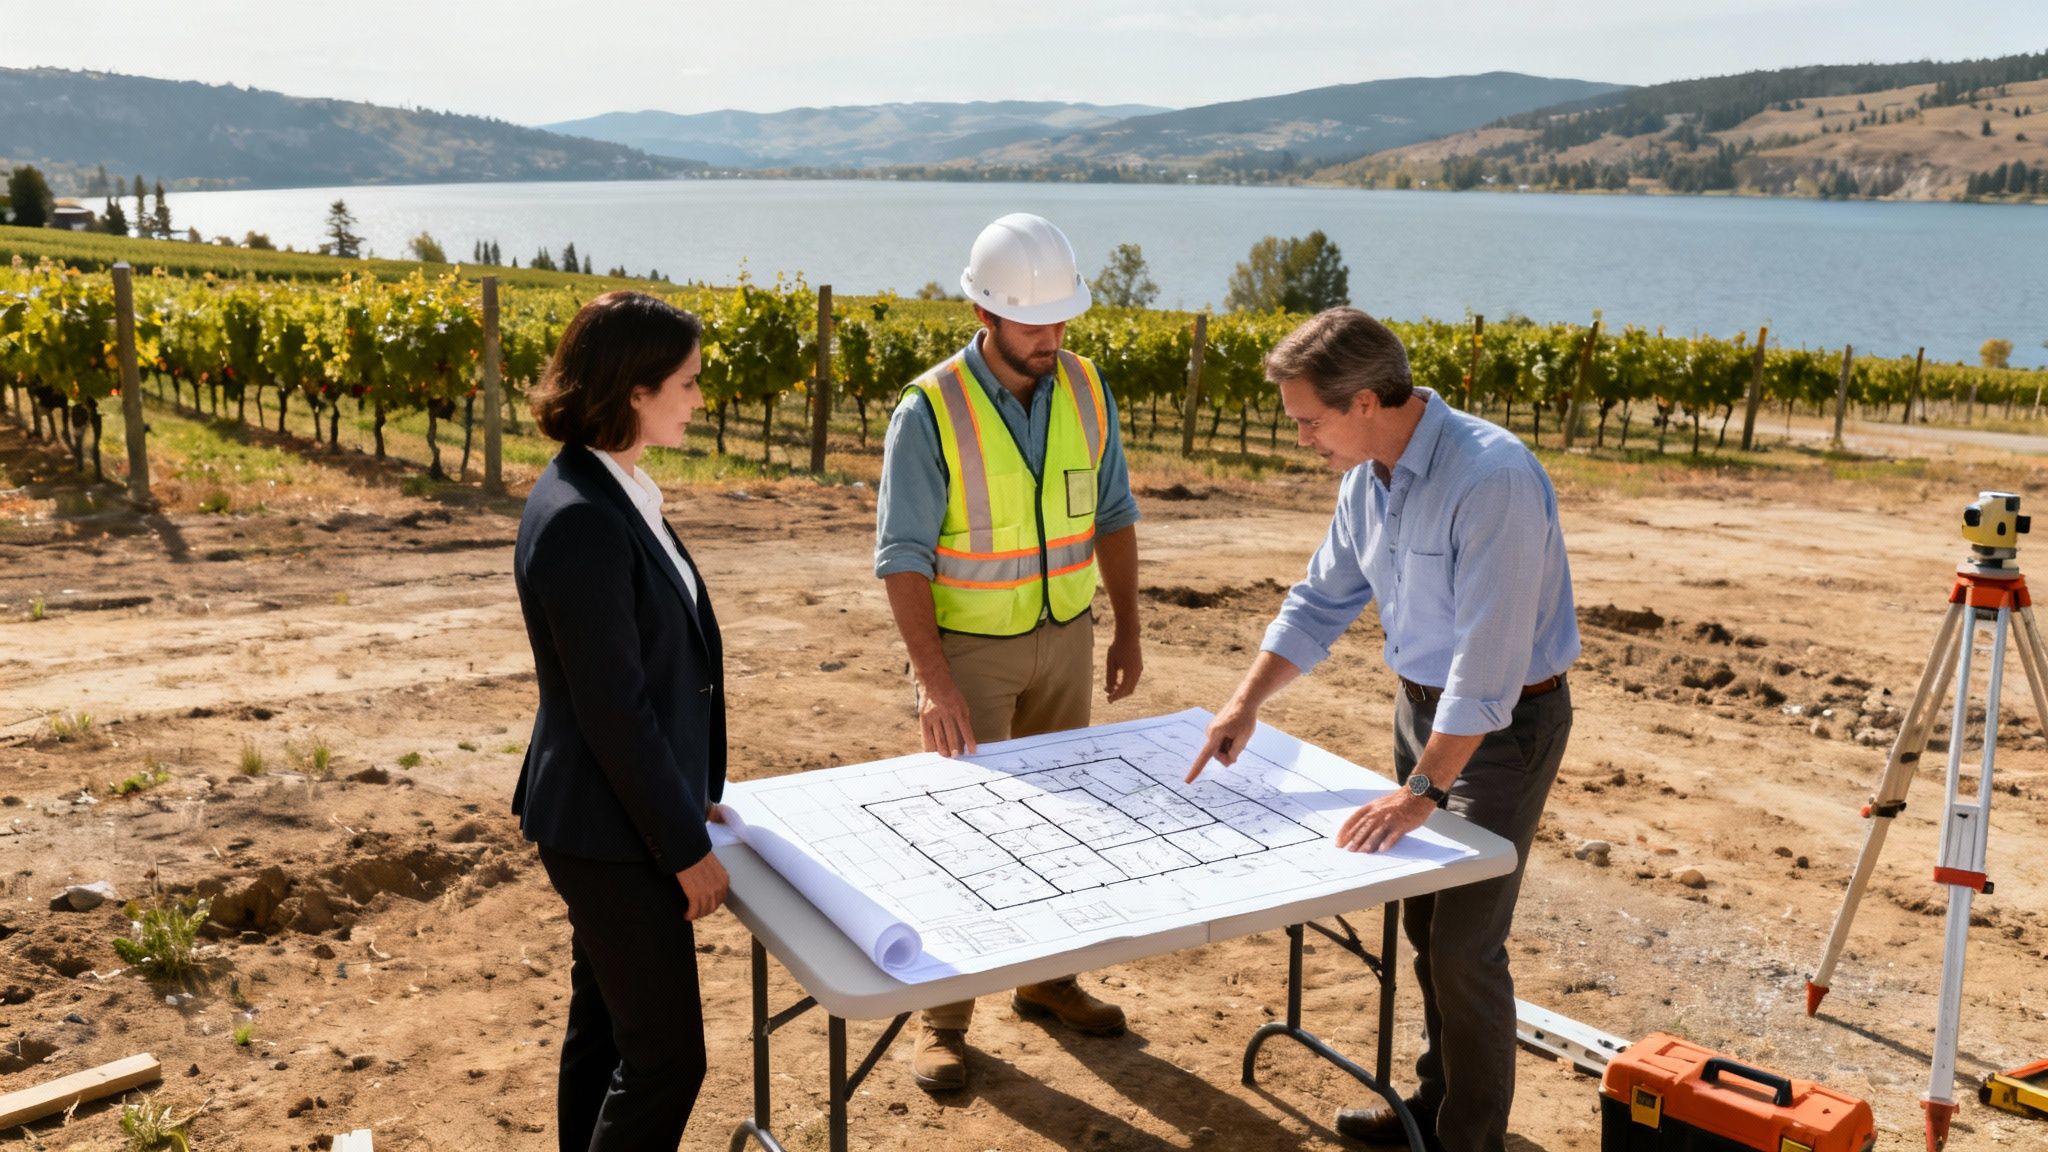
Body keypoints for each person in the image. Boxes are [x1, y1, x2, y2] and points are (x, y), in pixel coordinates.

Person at [1186, 308, 1578, 1152]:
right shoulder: (1369, 477)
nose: (1300, 439)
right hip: (1423, 711)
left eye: (1308, 420)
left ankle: (1464, 1140)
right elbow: (1323, 599)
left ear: (1365, 400)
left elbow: (1490, 662)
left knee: (1466, 947)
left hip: (1501, 728)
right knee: (1426, 928)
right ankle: (1431, 1112)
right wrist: (1247, 700)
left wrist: (1422, 790)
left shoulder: (1491, 477)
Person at [875, 212, 1145, 1091]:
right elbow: (902, 558)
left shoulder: (1086, 387)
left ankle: (1047, 978)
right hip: (971, 657)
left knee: (1067, 824)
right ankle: (943, 1017)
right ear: (985, 314)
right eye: (1034, 323)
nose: (1052, 338)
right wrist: (933, 680)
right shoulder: (930, 411)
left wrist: (1129, 626)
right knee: (965, 838)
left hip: (1067, 639)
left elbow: (1113, 514)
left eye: (1063, 320)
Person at [512, 290, 729, 1151]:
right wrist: (683, 845)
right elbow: (613, 712)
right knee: (667, 1061)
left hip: (617, 816)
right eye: (688, 381)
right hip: (612, 835)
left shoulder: (615, 483)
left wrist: (690, 790)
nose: (699, 398)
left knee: (603, 1033)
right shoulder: (580, 520)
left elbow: (647, 676)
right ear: (636, 390)